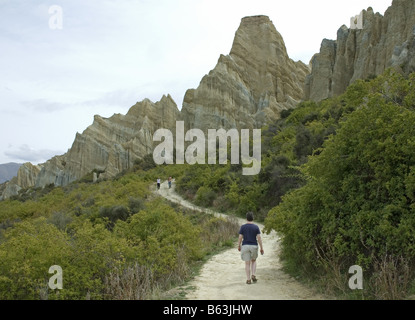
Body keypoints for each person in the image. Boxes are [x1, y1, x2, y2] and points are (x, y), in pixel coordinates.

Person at [238, 211, 264, 284]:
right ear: (253, 218)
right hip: (254, 246)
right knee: (254, 261)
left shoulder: (243, 227)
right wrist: (261, 248)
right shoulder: (256, 227)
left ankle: (248, 279)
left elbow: (240, 237)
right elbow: (259, 238)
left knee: (247, 263)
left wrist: (239, 245)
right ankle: (253, 274)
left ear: (246, 218)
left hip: (245, 246)